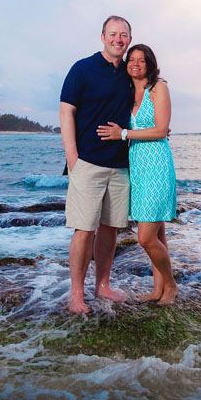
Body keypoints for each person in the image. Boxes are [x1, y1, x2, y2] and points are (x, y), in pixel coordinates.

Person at [60, 16, 134, 314]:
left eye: (124, 35)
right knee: (84, 230)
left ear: (129, 38)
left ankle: (102, 284)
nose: (119, 39)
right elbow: (66, 112)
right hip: (87, 162)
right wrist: (72, 158)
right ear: (102, 36)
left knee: (111, 229)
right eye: (113, 34)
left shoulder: (131, 73)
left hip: (121, 164)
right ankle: (76, 293)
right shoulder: (82, 68)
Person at [98, 44, 178, 304]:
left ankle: (171, 285)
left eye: (141, 60)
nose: (135, 64)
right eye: (131, 60)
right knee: (157, 234)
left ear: (149, 63)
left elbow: (159, 130)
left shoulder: (159, 88)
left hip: (156, 165)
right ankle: (158, 290)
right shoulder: (128, 91)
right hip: (137, 168)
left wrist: (122, 133)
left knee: (145, 238)